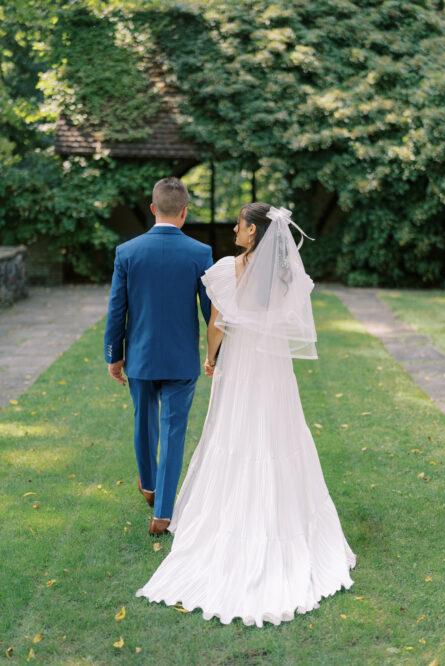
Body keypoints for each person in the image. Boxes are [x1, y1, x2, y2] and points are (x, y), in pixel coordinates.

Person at [135, 202, 357, 627]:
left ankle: (233, 519)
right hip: (273, 366)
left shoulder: (228, 268)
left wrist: (210, 358)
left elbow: (217, 323)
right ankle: (287, 518)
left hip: (240, 364)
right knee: (279, 433)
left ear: (253, 232)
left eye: (239, 223)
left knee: (233, 433)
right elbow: (290, 317)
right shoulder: (285, 274)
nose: (235, 229)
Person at [103, 177, 213, 536]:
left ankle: (148, 486)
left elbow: (116, 309)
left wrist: (113, 355)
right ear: (184, 212)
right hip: (182, 360)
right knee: (174, 431)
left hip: (141, 357)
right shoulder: (200, 253)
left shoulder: (128, 251)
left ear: (153, 209)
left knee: (143, 421)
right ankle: (163, 513)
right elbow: (211, 313)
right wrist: (217, 354)